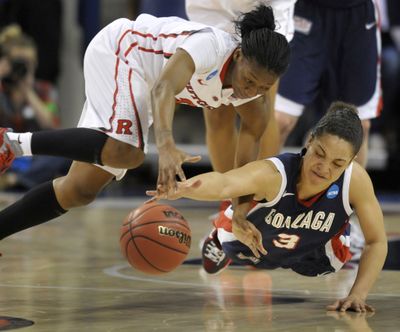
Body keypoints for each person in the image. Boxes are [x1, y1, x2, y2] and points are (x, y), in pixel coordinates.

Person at [0, 6, 290, 242]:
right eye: (249, 80)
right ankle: (11, 143)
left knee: (79, 190)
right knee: (127, 151)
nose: (251, 91)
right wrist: (166, 145)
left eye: (263, 87)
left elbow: (244, 166)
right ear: (239, 56)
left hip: (143, 82)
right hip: (123, 51)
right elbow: (163, 88)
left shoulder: (254, 102)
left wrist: (240, 211)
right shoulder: (211, 46)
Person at [147, 102, 388, 312]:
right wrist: (182, 188)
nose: (324, 168)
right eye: (319, 154)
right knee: (231, 235)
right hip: (258, 239)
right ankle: (218, 239)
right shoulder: (274, 173)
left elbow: (376, 241)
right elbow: (224, 183)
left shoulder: (355, 180)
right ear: (310, 140)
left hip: (314, 251)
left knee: (336, 259)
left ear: (351, 161)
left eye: (337, 163)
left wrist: (358, 294)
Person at [185, 0, 296, 217]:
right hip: (213, 8)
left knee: (261, 113)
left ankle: (262, 203)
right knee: (216, 114)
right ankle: (229, 203)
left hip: (265, 5)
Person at [275, 0, 381, 168]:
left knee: (359, 126)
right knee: (279, 120)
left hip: (357, 16)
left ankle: (348, 194)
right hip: (306, 13)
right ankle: (261, 192)